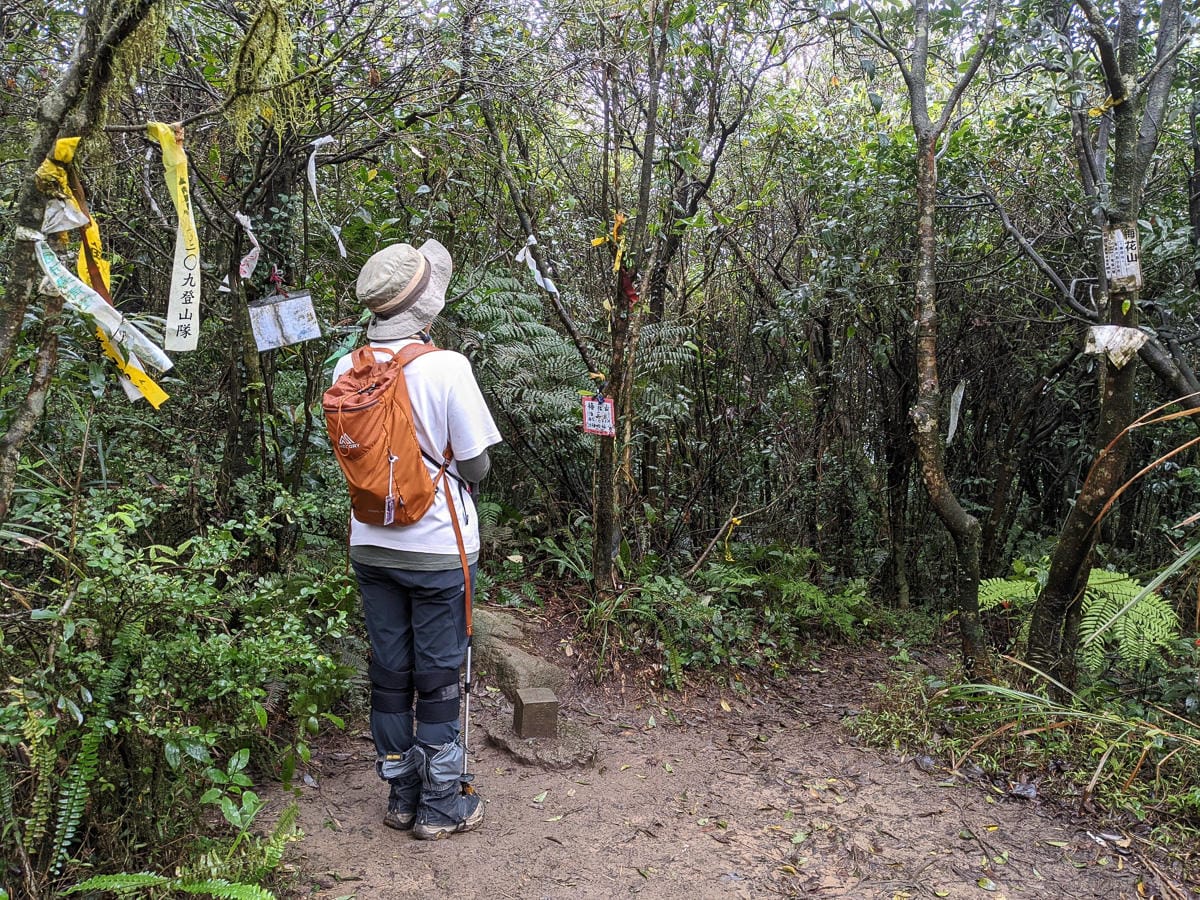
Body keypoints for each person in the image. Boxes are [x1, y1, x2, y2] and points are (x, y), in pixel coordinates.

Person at [332, 239, 501, 840]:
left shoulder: (346, 369)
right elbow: (476, 466)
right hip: (438, 548)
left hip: (369, 545)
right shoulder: (446, 366)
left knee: (389, 672)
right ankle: (439, 802)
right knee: (437, 676)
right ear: (425, 307)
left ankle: (400, 795)